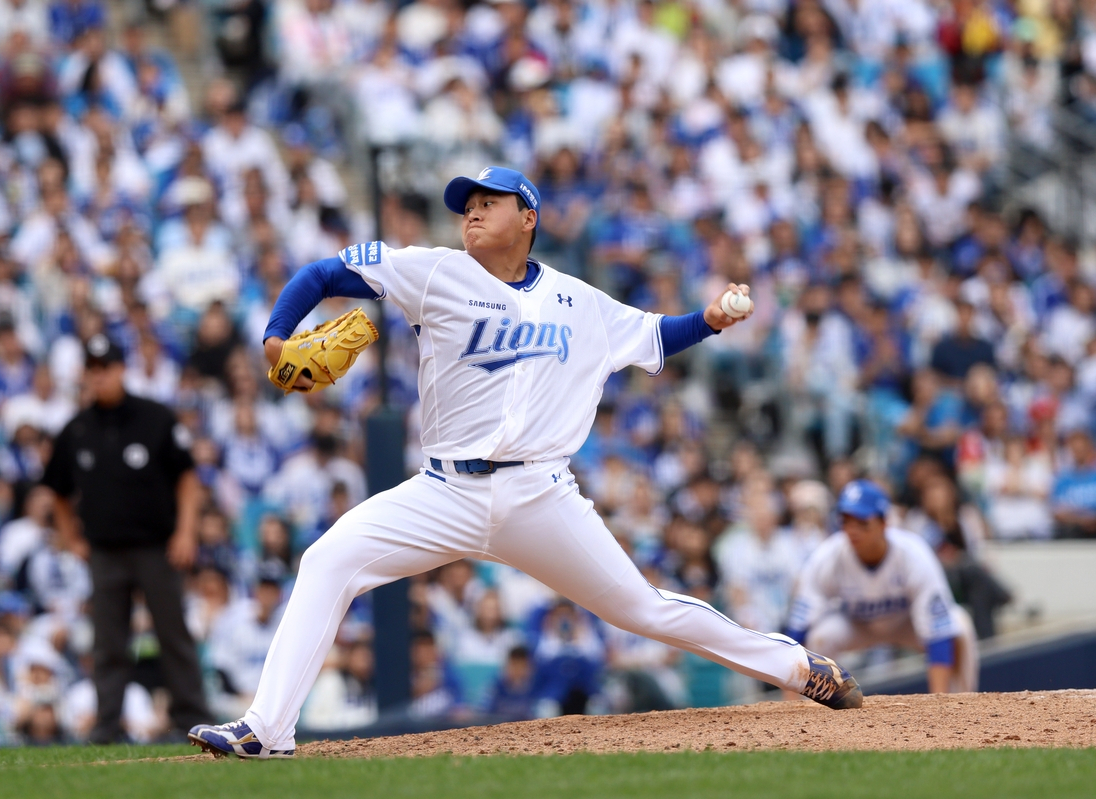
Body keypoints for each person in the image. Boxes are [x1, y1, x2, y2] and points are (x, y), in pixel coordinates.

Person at [189, 166, 862, 759]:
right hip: (443, 490)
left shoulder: (579, 302)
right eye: (467, 203)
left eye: (490, 201)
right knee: (327, 560)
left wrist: (709, 319)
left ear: (528, 217)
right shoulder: (434, 271)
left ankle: (800, 669)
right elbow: (325, 272)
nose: (472, 212)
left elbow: (655, 334)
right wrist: (278, 335)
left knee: (645, 609)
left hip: (541, 496)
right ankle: (266, 727)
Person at [40, 334, 210, 744]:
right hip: (104, 551)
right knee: (109, 643)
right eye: (92, 370)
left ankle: (194, 719)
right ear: (85, 375)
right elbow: (57, 492)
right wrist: (72, 539)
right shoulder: (76, 430)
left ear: (121, 370)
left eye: (106, 369)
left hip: (156, 546)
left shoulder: (154, 418)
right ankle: (107, 725)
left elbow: (187, 479)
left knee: (173, 636)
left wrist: (186, 532)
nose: (99, 377)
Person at [784, 480, 979, 694]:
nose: (853, 530)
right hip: (856, 625)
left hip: (907, 622)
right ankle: (806, 718)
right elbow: (798, 628)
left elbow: (938, 632)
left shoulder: (913, 553)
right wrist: (788, 697)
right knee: (819, 637)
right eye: (847, 521)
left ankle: (959, 706)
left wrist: (939, 700)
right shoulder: (829, 556)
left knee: (960, 626)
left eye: (861, 521)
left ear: (883, 523)